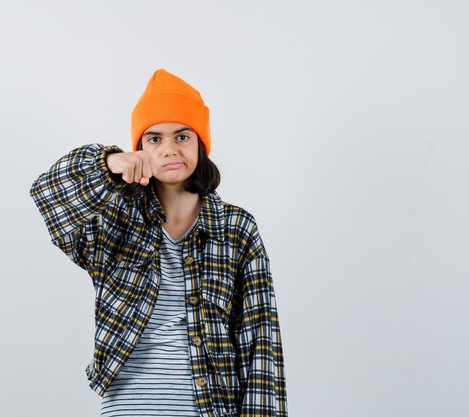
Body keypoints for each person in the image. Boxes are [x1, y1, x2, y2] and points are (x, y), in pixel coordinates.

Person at [29, 69, 288, 417]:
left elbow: (261, 342)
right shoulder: (114, 220)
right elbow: (48, 192)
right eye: (154, 139)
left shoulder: (236, 228)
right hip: (127, 408)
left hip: (211, 407)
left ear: (200, 143)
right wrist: (108, 162)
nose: (169, 149)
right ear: (139, 146)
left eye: (182, 136)